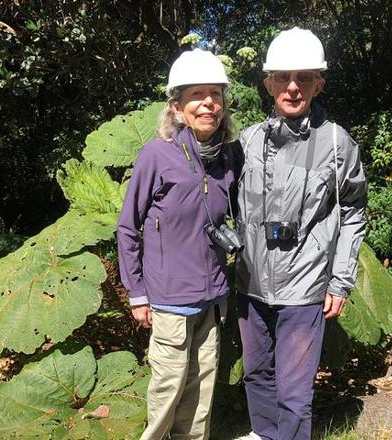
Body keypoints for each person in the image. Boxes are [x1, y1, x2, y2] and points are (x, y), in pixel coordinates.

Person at [234, 28, 367, 440]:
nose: (293, 87)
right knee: (256, 375)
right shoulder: (247, 141)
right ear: (268, 83)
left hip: (305, 285)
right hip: (252, 283)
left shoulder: (336, 142)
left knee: (294, 393)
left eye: (304, 78)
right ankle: (264, 434)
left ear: (319, 83)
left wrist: (341, 280)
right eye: (283, 78)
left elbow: (355, 210)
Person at [117, 49, 239, 440]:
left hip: (213, 297)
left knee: (201, 392)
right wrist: (136, 292)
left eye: (216, 95)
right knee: (168, 389)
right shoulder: (158, 155)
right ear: (177, 106)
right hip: (169, 298)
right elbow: (127, 228)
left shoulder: (228, 157)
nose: (209, 103)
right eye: (197, 95)